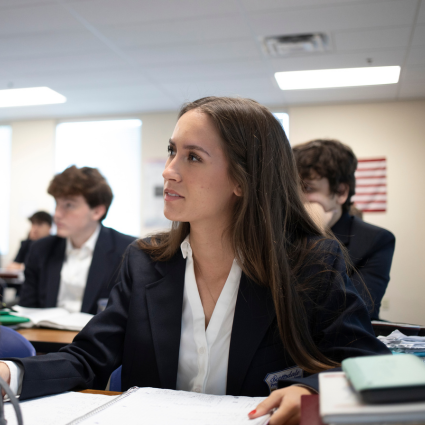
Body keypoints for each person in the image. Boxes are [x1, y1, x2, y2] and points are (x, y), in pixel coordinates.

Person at [0, 98, 389, 425]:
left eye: (193, 157)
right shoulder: (143, 261)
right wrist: (9, 374)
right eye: (172, 151)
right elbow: (89, 357)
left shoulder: (310, 261)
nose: (169, 171)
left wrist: (309, 390)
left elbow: (365, 362)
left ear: (243, 180)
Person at [292, 139, 395, 320]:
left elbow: (356, 311)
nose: (297, 199)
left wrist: (315, 234)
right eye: (293, 189)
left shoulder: (376, 240)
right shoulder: (282, 232)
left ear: (341, 192)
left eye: (307, 188)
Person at [18, 166, 136, 314]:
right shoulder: (40, 249)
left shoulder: (128, 251)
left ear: (97, 211)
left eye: (69, 205)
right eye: (57, 204)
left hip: (99, 337)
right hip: (43, 336)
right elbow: (27, 310)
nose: (57, 214)